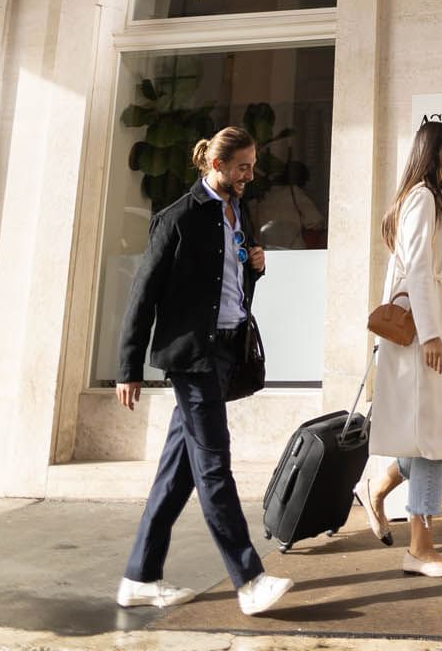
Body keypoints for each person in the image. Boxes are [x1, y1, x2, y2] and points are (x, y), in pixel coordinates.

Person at [114, 125, 294, 620]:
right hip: (193, 357)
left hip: (225, 352)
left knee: (176, 473)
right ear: (216, 166)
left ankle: (139, 577)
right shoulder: (177, 219)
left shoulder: (238, 210)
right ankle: (250, 579)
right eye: (242, 167)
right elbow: (142, 295)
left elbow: (230, 279)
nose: (250, 175)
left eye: (252, 166)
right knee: (214, 466)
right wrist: (127, 368)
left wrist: (255, 264)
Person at [357, 122, 442, 579]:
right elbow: (416, 269)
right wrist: (431, 334)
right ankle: (420, 547)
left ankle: (377, 486)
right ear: (432, 150)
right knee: (433, 441)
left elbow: (433, 269)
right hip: (421, 334)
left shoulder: (436, 199)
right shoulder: (423, 199)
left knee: (430, 434)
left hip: (433, 325)